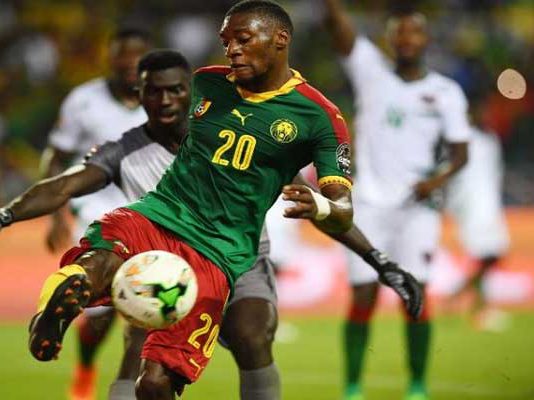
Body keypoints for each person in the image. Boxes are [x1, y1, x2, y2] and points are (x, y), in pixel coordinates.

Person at [1, 2, 420, 398]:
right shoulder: (209, 83)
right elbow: (140, 133)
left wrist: (328, 211)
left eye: (243, 40)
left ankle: (77, 302)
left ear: (280, 39)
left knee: (159, 382)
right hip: (157, 215)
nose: (231, 50)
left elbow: (341, 209)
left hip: (219, 252)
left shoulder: (320, 118)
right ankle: (56, 309)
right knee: (98, 260)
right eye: (226, 42)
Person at [322, 1, 471, 399]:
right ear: (388, 39)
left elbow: (461, 154)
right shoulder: (371, 72)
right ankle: (353, 388)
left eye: (414, 31)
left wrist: (436, 180)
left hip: (416, 210)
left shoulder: (446, 92)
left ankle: (417, 386)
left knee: (413, 293)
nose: (406, 39)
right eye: (398, 32)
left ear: (426, 38)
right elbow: (338, 27)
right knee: (363, 295)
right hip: (368, 206)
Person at [40, 27, 151, 400]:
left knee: (143, 304)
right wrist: (56, 212)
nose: (130, 62)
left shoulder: (164, 97)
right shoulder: (83, 100)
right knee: (100, 315)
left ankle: (127, 387)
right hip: (96, 210)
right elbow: (56, 155)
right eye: (123, 54)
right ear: (110, 58)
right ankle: (85, 366)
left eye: (137, 55)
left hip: (149, 212)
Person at [446, 91, 510, 327]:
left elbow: (496, 172)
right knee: (487, 255)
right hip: (470, 206)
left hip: (491, 203)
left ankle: (466, 298)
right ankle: (477, 307)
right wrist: (453, 204)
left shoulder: (490, 139)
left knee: (491, 255)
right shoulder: (461, 141)